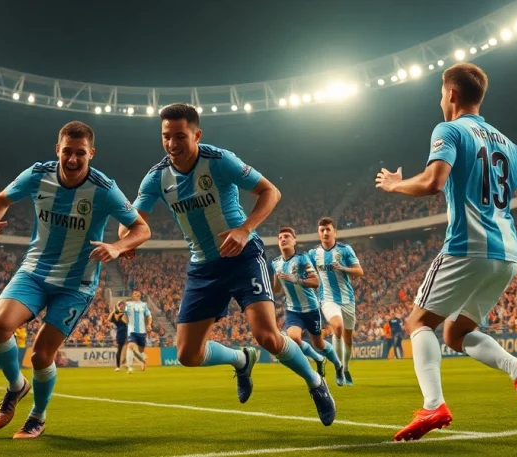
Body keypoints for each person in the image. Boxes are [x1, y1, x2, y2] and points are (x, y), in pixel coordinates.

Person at [125, 103, 335, 426]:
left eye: (180, 136)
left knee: (266, 336)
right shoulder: (156, 177)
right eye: (166, 136)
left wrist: (244, 229)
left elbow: (270, 192)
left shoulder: (219, 161)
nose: (171, 144)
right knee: (187, 355)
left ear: (197, 135)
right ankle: (241, 359)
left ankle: (315, 382)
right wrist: (124, 241)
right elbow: (133, 222)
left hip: (243, 257)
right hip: (202, 267)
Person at [375, 63, 517, 441]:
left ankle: (433, 404)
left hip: (467, 246)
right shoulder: (506, 143)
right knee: (456, 334)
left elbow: (433, 182)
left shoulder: (450, 130)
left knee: (418, 323)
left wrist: (394, 186)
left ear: (452, 94)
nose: (440, 101)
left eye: (441, 94)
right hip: (506, 255)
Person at [0, 121, 151, 440]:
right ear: (57, 149)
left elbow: (142, 228)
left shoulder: (104, 189)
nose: (73, 159)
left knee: (40, 356)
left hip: (76, 284)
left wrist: (117, 246)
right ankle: (16, 386)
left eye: (80, 154)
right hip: (34, 272)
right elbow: (0, 199)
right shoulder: (37, 175)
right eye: (67, 152)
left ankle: (37, 416)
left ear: (91, 154)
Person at [270, 226, 343, 381]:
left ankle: (338, 365)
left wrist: (296, 279)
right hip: (292, 310)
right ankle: (318, 358)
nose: (283, 239)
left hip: (311, 308)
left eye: (287, 237)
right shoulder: (275, 263)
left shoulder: (302, 259)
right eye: (280, 237)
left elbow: (316, 282)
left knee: (319, 343)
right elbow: (277, 289)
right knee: (294, 338)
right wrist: (277, 278)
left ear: (294, 241)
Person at [305, 217, 363, 386]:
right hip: (327, 299)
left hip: (347, 299)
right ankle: (339, 368)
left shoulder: (345, 250)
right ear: (318, 233)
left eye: (328, 229)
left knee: (348, 338)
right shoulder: (313, 254)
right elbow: (307, 274)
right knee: (337, 326)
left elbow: (359, 271)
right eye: (322, 230)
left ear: (334, 232)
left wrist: (343, 268)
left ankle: (346, 368)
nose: (325, 232)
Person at [123, 290, 151, 373]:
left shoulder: (144, 305)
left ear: (140, 295)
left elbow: (149, 316)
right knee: (130, 346)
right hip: (132, 331)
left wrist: (149, 324)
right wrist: (127, 324)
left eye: (138, 293)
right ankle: (130, 367)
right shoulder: (128, 305)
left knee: (141, 351)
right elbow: (125, 316)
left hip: (142, 332)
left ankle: (143, 361)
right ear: (132, 295)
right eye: (135, 293)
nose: (137, 294)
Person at [110, 301, 127, 372]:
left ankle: (125, 363)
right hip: (121, 334)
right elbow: (109, 319)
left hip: (128, 333)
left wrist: (116, 309)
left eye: (123, 305)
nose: (122, 306)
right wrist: (114, 310)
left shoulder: (124, 314)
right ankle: (118, 366)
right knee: (120, 350)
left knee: (130, 348)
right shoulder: (116, 317)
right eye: (121, 305)